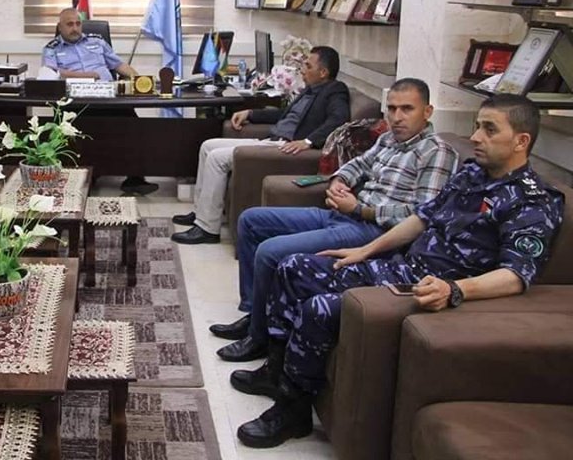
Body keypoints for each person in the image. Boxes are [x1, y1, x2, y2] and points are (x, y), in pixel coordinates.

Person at [232, 94, 564, 449]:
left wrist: (455, 290)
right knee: (293, 267)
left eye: (489, 129)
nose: (476, 137)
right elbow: (422, 218)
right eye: (477, 126)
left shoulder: (533, 200)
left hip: (428, 289)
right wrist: (365, 250)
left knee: (320, 308)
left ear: (521, 141)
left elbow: (516, 275)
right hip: (402, 268)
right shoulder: (471, 174)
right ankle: (277, 373)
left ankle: (291, 409)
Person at [212, 78, 458, 362]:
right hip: (343, 214)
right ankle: (254, 313)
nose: (397, 117)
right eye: (391, 109)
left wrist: (360, 209)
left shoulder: (436, 152)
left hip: (373, 231)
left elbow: (421, 213)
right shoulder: (389, 139)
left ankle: (259, 338)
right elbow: (358, 164)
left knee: (269, 251)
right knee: (251, 220)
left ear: (427, 112)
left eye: (407, 109)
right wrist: (339, 181)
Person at [171, 46, 350, 244]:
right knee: (208, 146)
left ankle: (207, 229)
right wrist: (250, 113)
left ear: (323, 72)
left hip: (285, 148)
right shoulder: (308, 90)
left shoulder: (335, 90)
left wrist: (308, 142)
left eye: (308, 66)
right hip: (271, 140)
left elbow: (339, 119)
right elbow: (283, 115)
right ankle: (201, 214)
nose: (302, 70)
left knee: (217, 158)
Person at [42, 7, 157, 195]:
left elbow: (119, 65)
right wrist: (90, 75)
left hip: (108, 97)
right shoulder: (51, 49)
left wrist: (140, 80)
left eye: (78, 23)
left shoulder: (97, 42)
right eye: (69, 24)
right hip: (76, 102)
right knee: (81, 129)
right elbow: (52, 73)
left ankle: (134, 179)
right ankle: (87, 175)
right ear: (60, 27)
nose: (75, 28)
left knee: (133, 124)